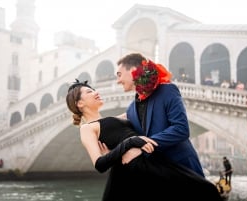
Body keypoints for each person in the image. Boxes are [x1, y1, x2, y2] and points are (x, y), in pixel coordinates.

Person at [66, 79, 222, 201]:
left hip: (153, 160)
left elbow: (143, 109)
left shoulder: (116, 118)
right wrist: (130, 143)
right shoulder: (87, 129)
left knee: (204, 190)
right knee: (206, 190)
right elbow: (100, 164)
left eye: (93, 89)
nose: (95, 92)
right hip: (139, 167)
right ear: (80, 103)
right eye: (89, 91)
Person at [116, 53, 205, 177]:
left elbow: (181, 129)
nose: (118, 81)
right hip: (158, 175)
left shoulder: (167, 90)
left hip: (183, 169)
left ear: (132, 70)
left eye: (119, 75)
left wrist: (143, 147)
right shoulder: (131, 109)